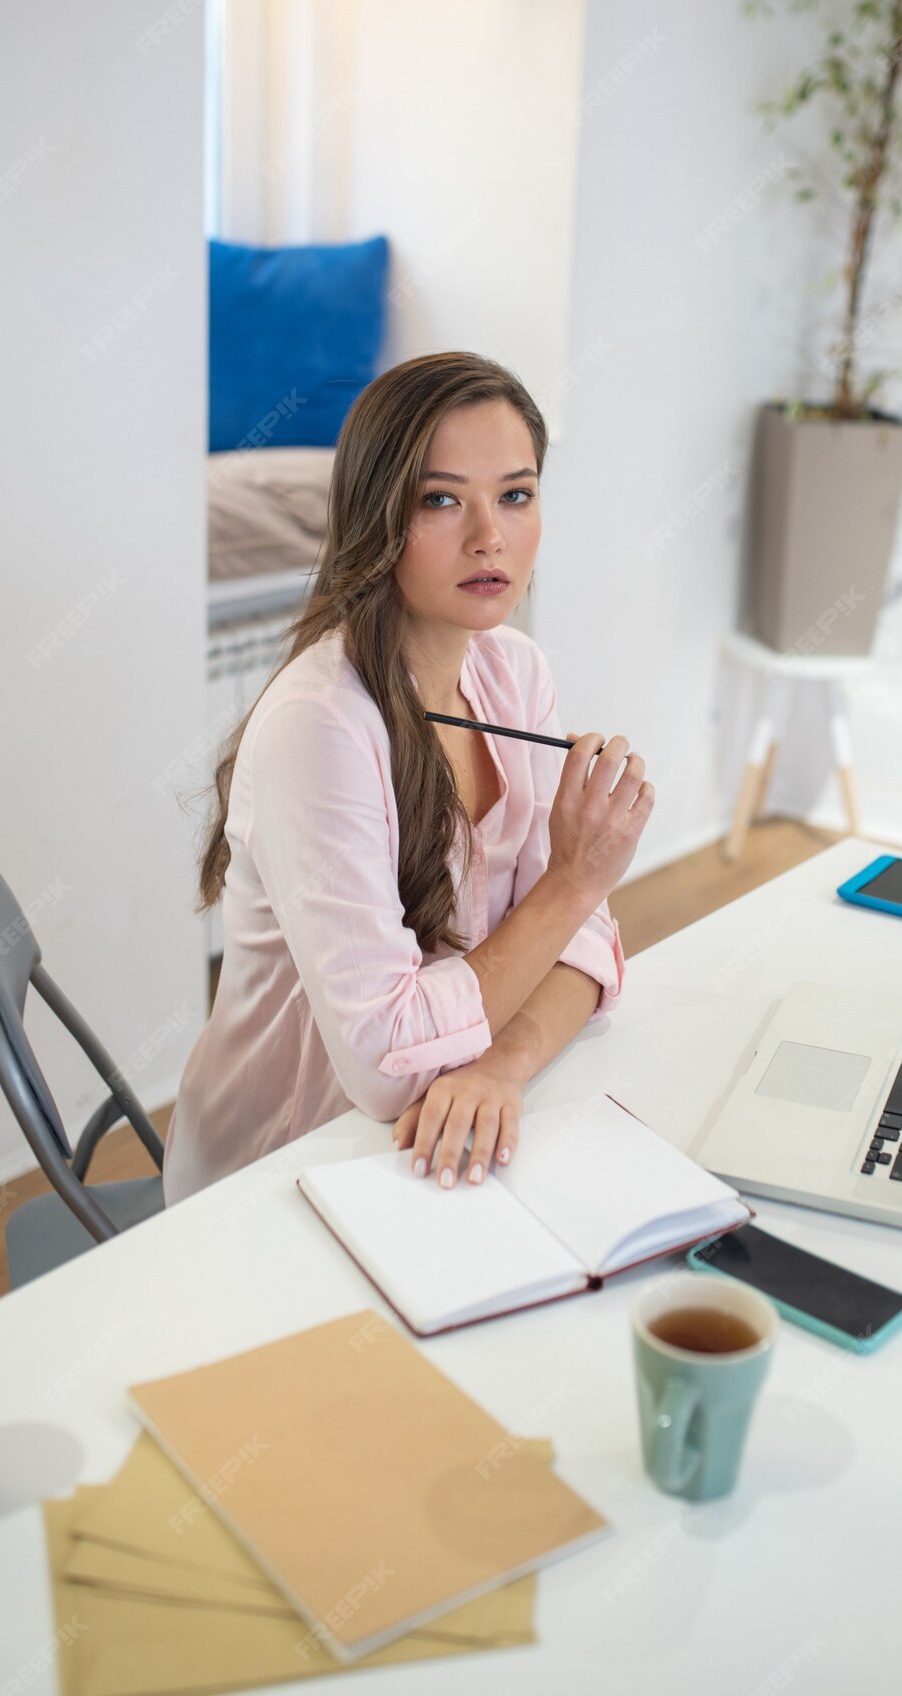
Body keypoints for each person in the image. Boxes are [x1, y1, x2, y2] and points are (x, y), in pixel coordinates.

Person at [161, 351, 655, 1204]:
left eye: (514, 494)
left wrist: (502, 1065)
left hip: (441, 1123)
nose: (487, 536)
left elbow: (582, 947)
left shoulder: (513, 673)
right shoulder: (320, 726)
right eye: (439, 499)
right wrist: (576, 879)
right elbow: (386, 1062)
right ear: (375, 516)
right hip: (286, 1170)